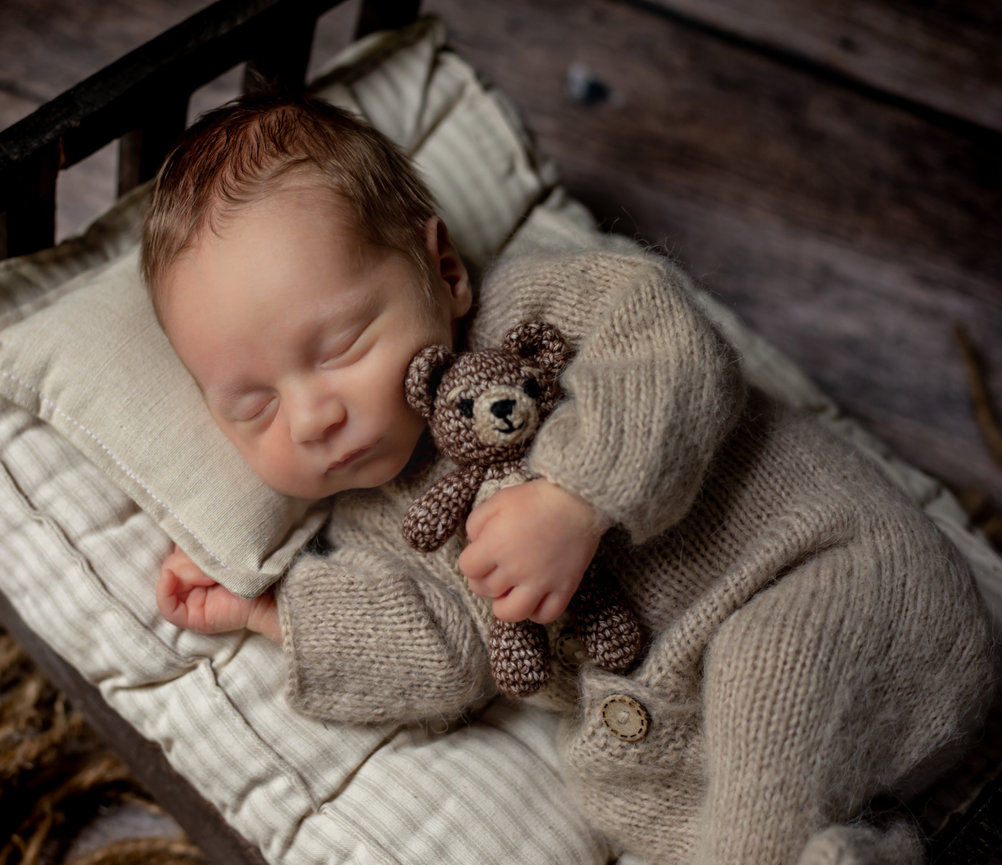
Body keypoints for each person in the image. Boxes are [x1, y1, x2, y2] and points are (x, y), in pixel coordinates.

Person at [142, 92, 995, 865]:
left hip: (829, 582)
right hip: (775, 740)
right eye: (252, 405)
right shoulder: (378, 524)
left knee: (762, 691)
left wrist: (576, 495)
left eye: (339, 349)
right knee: (630, 792)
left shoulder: (539, 314)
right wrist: (265, 613)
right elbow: (443, 651)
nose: (310, 415)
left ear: (442, 271)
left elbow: (671, 351)